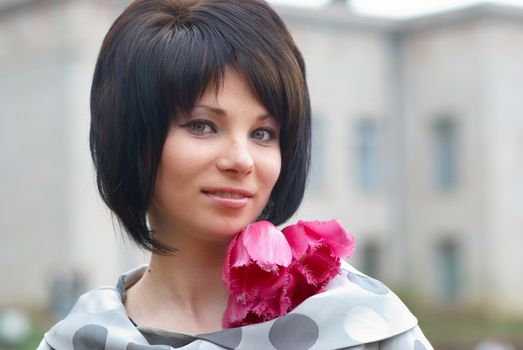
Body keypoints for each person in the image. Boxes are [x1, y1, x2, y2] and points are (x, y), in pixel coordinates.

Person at [38, 0, 433, 349]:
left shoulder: (365, 327)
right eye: (202, 126)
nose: (241, 160)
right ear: (130, 137)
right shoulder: (80, 341)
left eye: (263, 134)